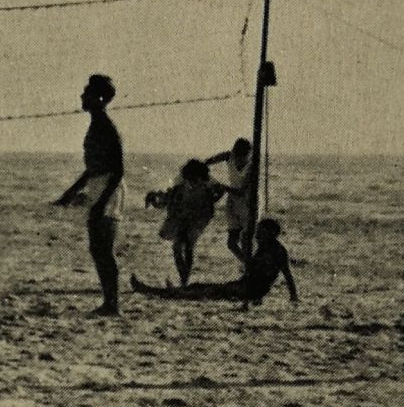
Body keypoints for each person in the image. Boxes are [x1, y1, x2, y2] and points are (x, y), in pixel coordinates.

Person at [55, 73, 124, 316]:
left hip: (108, 188)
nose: (82, 97)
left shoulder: (106, 126)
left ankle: (112, 304)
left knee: (103, 248)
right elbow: (92, 168)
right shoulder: (97, 124)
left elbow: (118, 169)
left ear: (99, 98)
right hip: (100, 185)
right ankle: (110, 302)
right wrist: (70, 192)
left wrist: (101, 202)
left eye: (87, 93)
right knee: (98, 248)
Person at [132, 218, 298, 306]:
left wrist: (293, 298)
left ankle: (159, 291)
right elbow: (252, 268)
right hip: (246, 287)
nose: (257, 236)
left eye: (261, 233)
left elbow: (287, 276)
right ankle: (170, 291)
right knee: (199, 288)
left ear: (272, 234)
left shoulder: (277, 251)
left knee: (202, 291)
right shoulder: (264, 247)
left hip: (249, 289)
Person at [157, 159, 224, 287]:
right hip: (183, 215)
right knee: (176, 247)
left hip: (199, 218)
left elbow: (220, 191)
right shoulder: (181, 182)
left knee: (189, 246)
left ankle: (184, 280)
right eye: (190, 180)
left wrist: (212, 200)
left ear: (201, 177)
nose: (193, 182)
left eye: (196, 180)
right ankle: (184, 277)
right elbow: (170, 197)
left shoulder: (207, 183)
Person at [205, 138, 255, 263]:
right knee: (231, 244)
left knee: (245, 240)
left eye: (241, 157)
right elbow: (218, 158)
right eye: (236, 156)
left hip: (248, 203)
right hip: (233, 203)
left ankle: (249, 268)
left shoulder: (252, 168)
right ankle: (248, 265)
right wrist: (205, 164)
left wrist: (223, 187)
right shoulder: (229, 156)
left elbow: (241, 191)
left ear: (248, 155)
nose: (237, 160)